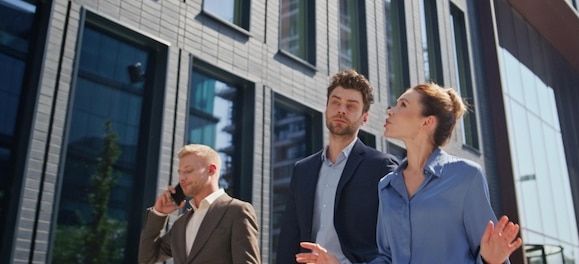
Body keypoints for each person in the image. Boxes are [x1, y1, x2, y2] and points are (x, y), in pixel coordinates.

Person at [296, 83, 523, 264]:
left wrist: (491, 260)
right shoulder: (387, 186)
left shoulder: (466, 177)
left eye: (402, 105)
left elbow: (490, 252)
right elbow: (386, 258)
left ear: (427, 122)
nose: (390, 111)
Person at [276, 69, 399, 264]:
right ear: (326, 109)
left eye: (351, 106)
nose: (341, 109)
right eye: (335, 102)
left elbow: (394, 245)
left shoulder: (381, 167)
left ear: (364, 118)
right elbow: (289, 237)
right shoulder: (303, 170)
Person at [138, 144, 261, 264]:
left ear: (211, 170)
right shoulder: (180, 224)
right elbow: (147, 258)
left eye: (188, 171)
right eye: (180, 172)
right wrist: (159, 213)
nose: (181, 178)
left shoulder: (237, 211)